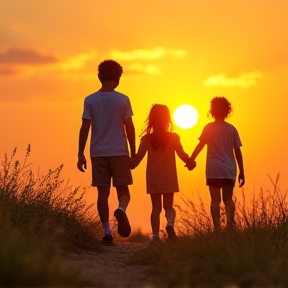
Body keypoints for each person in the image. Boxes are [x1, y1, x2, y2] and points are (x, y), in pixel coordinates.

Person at [77, 59, 135, 244]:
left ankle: (107, 233)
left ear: (99, 77)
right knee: (123, 190)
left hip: (98, 152)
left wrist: (80, 153)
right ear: (117, 78)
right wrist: (133, 152)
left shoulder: (90, 100)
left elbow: (85, 127)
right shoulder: (123, 99)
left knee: (102, 194)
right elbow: (130, 127)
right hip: (119, 151)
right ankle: (121, 209)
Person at [130, 104, 194, 241]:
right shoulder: (174, 138)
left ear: (151, 119)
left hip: (153, 178)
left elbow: (136, 161)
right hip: (169, 177)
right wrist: (190, 161)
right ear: (168, 119)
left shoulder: (147, 139)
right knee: (168, 207)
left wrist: (127, 161)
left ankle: (155, 236)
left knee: (156, 208)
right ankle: (170, 224)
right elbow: (182, 155)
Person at [186, 96, 245, 230]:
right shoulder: (232, 129)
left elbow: (200, 145)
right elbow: (238, 151)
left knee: (215, 200)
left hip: (213, 168)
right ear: (227, 111)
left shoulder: (208, 128)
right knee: (228, 199)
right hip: (228, 169)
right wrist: (242, 171)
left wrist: (191, 159)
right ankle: (230, 224)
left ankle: (217, 228)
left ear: (212, 110)